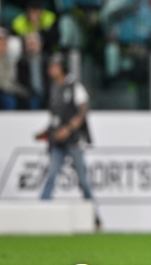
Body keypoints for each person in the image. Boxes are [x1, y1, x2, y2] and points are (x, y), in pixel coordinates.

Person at [37, 53, 93, 201]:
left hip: (73, 140)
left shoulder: (74, 85)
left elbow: (83, 111)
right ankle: (39, 213)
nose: (50, 70)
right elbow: (56, 117)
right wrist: (45, 132)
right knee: (51, 176)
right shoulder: (54, 87)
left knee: (83, 180)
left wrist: (67, 129)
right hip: (58, 141)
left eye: (54, 66)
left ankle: (94, 216)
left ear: (62, 68)